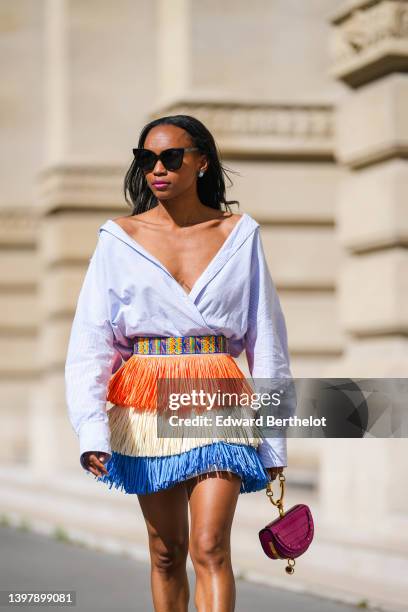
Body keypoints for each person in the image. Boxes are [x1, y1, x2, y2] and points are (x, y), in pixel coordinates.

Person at [65, 114, 293, 612]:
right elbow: (91, 342)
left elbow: (268, 340)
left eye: (171, 157)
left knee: (210, 545)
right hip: (147, 400)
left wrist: (274, 440)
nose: (157, 169)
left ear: (202, 162)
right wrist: (91, 431)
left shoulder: (240, 234)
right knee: (166, 552)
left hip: (219, 395)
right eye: (146, 160)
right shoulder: (118, 239)